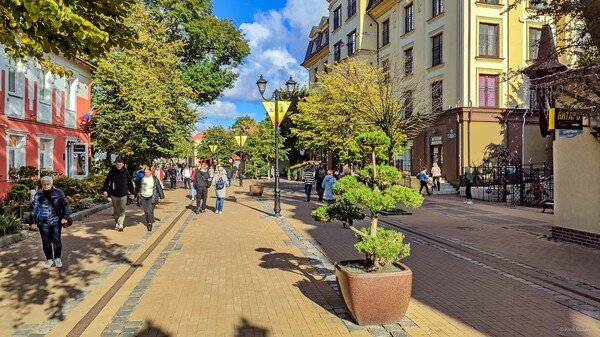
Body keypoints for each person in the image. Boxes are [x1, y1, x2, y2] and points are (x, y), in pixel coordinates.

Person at [29, 176, 71, 268]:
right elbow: (33, 210)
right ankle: (49, 259)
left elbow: (65, 205)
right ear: (41, 185)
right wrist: (32, 222)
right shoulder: (38, 195)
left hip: (56, 221)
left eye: (48, 184)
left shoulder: (58, 192)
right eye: (44, 184)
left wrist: (65, 217)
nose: (46, 186)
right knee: (46, 242)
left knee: (57, 241)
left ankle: (57, 258)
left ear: (51, 184)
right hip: (43, 223)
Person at [103, 158, 135, 231]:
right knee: (116, 210)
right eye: (117, 164)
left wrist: (132, 193)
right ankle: (117, 222)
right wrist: (105, 190)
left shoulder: (126, 172)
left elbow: (130, 183)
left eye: (120, 164)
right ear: (115, 164)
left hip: (123, 193)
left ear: (122, 164)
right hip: (114, 194)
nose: (119, 166)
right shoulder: (112, 172)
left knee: (122, 209)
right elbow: (107, 181)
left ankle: (120, 224)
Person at [136, 165, 165, 231]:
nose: (146, 173)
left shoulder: (154, 179)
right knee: (146, 211)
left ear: (150, 172)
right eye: (145, 172)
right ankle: (148, 220)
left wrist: (162, 196)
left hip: (152, 196)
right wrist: (136, 195)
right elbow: (138, 188)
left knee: (150, 211)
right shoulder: (141, 179)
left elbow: (159, 188)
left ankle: (149, 224)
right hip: (143, 197)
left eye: (147, 172)